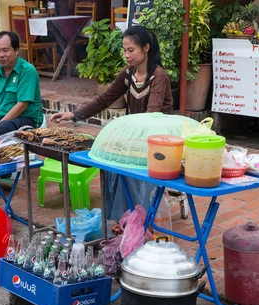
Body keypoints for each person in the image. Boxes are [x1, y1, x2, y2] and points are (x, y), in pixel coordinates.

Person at [51, 25, 173, 221]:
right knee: (109, 162)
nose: (126, 55)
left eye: (131, 50)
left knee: (131, 168)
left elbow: (152, 115)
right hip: (136, 135)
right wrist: (75, 115)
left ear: (146, 48)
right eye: (124, 50)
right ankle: (121, 217)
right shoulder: (128, 74)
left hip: (158, 139)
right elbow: (104, 99)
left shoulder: (158, 76)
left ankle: (139, 218)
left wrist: (128, 137)